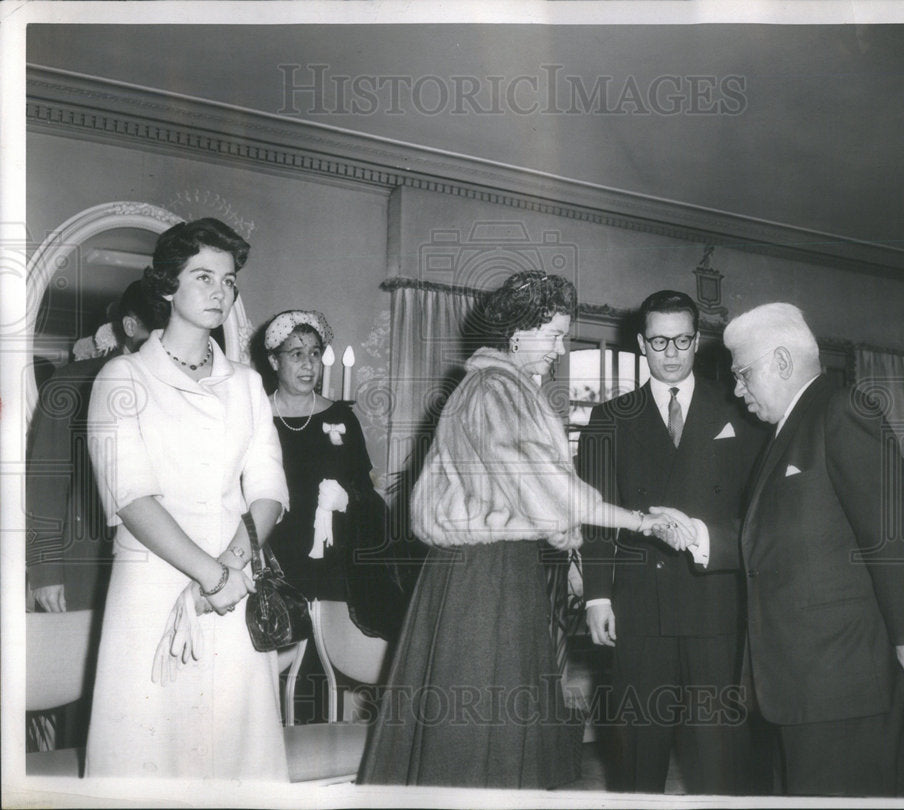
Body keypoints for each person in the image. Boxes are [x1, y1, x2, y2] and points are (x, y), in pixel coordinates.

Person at [357, 271, 675, 789]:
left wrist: (567, 545)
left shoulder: (501, 388)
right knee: (481, 724)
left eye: (563, 335)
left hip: (491, 572)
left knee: (484, 725)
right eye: (551, 334)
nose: (559, 348)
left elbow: (529, 492)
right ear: (516, 333)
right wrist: (640, 521)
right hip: (485, 577)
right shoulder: (495, 389)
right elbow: (549, 487)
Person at [669, 302, 904, 796]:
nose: (736, 389)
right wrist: (696, 535)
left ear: (782, 362)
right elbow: (781, 535)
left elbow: (896, 525)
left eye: (743, 374)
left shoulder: (840, 410)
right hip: (802, 680)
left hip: (841, 682)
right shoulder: (787, 431)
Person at [85, 218, 290, 780]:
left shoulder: (247, 383)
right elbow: (131, 496)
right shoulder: (122, 377)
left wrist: (230, 568)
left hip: (236, 574)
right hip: (153, 586)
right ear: (167, 286)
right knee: (151, 752)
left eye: (228, 281)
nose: (220, 292)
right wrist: (210, 577)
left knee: (234, 754)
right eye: (204, 277)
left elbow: (269, 489)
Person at [576, 290, 767, 794]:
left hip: (717, 603)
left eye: (682, 339)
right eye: (659, 340)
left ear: (697, 340)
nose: (671, 352)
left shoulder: (741, 411)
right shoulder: (609, 418)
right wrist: (597, 594)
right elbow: (594, 516)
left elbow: (758, 509)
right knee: (640, 750)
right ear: (642, 343)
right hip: (640, 607)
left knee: (720, 753)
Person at [262, 309, 406, 721]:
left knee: (321, 673)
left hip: (330, 563)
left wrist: (350, 497)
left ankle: (317, 746)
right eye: (295, 354)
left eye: (314, 353)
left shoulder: (340, 416)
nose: (308, 364)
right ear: (274, 361)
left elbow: (365, 489)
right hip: (272, 560)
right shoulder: (256, 416)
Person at [27, 280, 166, 614]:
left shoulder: (181, 391)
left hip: (162, 564)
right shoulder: (72, 384)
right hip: (88, 564)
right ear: (131, 327)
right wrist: (45, 571)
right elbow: (45, 485)